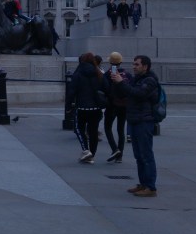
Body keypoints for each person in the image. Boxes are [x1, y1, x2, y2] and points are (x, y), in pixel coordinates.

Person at [110, 55, 160, 197]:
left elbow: (138, 94)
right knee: (139, 155)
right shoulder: (137, 79)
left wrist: (122, 83)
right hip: (135, 120)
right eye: (133, 64)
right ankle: (143, 183)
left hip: (144, 121)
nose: (134, 66)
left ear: (145, 66)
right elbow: (126, 93)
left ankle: (151, 187)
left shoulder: (150, 81)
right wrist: (117, 82)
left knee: (146, 155)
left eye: (137, 64)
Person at [68, 52, 104, 163]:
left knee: (78, 128)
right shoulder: (98, 72)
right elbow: (106, 87)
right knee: (93, 131)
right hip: (96, 107)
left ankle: (86, 150)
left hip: (82, 107)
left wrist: (68, 106)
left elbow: (72, 91)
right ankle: (91, 155)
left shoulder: (78, 73)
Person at [101, 52, 130, 163]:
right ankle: (120, 156)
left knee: (108, 128)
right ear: (120, 62)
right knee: (120, 130)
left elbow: (104, 88)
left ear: (110, 62)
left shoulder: (108, 74)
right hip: (124, 105)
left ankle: (115, 149)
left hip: (112, 105)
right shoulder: (126, 74)